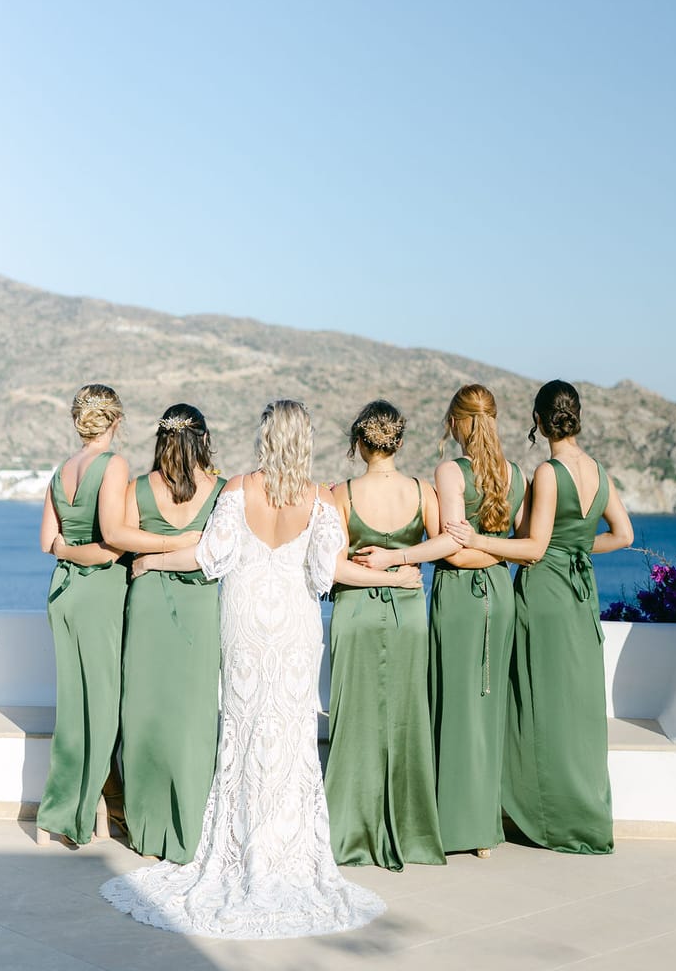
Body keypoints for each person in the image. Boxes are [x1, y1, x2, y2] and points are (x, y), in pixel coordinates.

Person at [100, 400, 423, 939]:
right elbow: (327, 571)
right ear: (305, 439)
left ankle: (240, 842)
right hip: (295, 626)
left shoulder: (236, 490)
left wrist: (153, 559)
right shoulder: (321, 500)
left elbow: (210, 558)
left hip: (245, 624)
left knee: (244, 732)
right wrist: (397, 577)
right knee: (290, 735)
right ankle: (285, 848)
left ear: (265, 437)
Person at [446, 380, 633, 855]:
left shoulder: (549, 473)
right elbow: (624, 535)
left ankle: (548, 818)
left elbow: (531, 547)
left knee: (538, 703)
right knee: (578, 706)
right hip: (580, 593)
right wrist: (577, 548)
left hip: (546, 594)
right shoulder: (599, 470)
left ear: (538, 420)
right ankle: (587, 814)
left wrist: (478, 541)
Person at [356, 384, 526, 858]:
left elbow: (452, 543)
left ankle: (453, 825)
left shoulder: (450, 471)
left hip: (459, 595)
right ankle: (484, 827)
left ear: (457, 421)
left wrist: (398, 556)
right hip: (500, 590)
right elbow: (524, 543)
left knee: (452, 704)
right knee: (486, 705)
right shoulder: (517, 474)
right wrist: (493, 555)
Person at [38, 386, 195, 848]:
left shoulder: (61, 470)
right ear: (116, 421)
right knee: (104, 711)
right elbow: (113, 541)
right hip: (99, 594)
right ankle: (83, 814)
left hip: (61, 594)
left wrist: (68, 550)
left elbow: (49, 541)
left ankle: (63, 813)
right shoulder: (114, 466)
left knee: (74, 708)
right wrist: (175, 543)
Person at [324, 400, 444, 870]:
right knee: (407, 719)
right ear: (399, 441)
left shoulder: (342, 495)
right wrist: (401, 563)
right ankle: (411, 833)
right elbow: (447, 543)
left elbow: (334, 567)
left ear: (359, 442)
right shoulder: (423, 491)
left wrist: (379, 563)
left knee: (352, 719)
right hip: (409, 613)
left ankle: (349, 833)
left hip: (355, 611)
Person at [118, 404, 225, 863]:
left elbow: (119, 536)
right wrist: (186, 542)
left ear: (161, 439)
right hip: (202, 604)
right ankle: (191, 825)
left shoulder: (137, 489)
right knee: (195, 716)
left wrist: (157, 548)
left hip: (147, 602)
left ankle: (147, 827)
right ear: (203, 439)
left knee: (144, 713)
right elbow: (221, 550)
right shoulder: (222, 492)